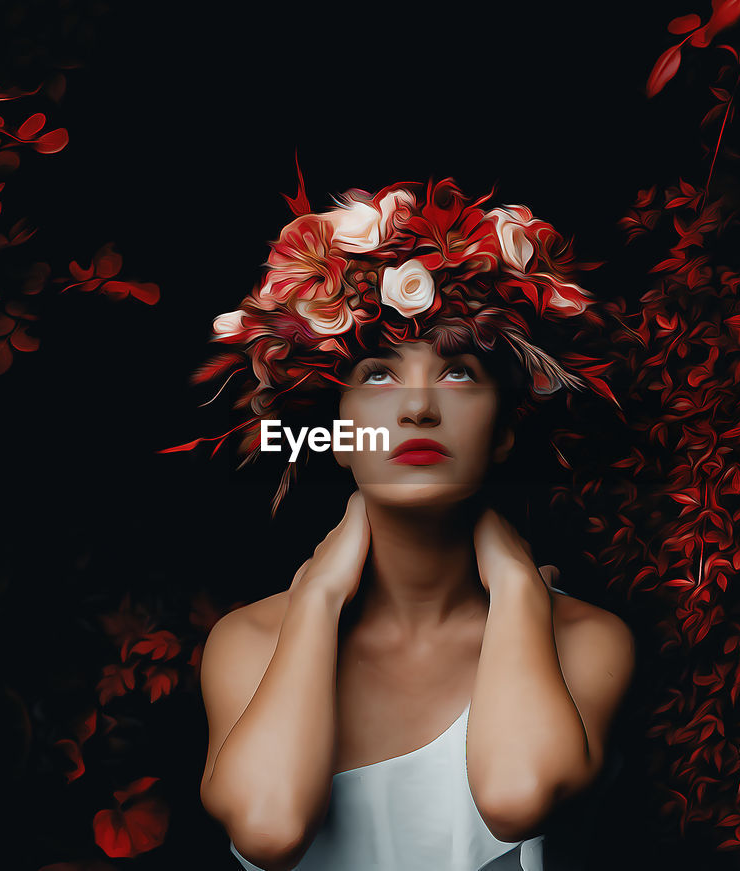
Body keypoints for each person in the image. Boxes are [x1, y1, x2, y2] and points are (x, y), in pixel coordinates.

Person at [194, 178, 638, 870]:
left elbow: (515, 795)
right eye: (377, 374)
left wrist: (518, 588)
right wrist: (316, 598)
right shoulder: (248, 641)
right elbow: (270, 827)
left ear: (502, 431)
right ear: (338, 435)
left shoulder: (584, 639)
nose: (418, 409)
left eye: (459, 373)